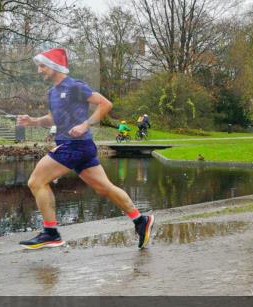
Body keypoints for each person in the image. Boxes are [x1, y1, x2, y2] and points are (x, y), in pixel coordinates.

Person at [15, 47, 154, 250]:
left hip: (74, 145)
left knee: (36, 182)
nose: (39, 71)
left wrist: (85, 124)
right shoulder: (52, 92)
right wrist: (33, 121)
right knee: (104, 188)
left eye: (42, 66)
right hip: (82, 148)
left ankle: (51, 233)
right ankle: (140, 220)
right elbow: (54, 118)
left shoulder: (74, 86)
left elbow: (105, 104)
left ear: (54, 66)